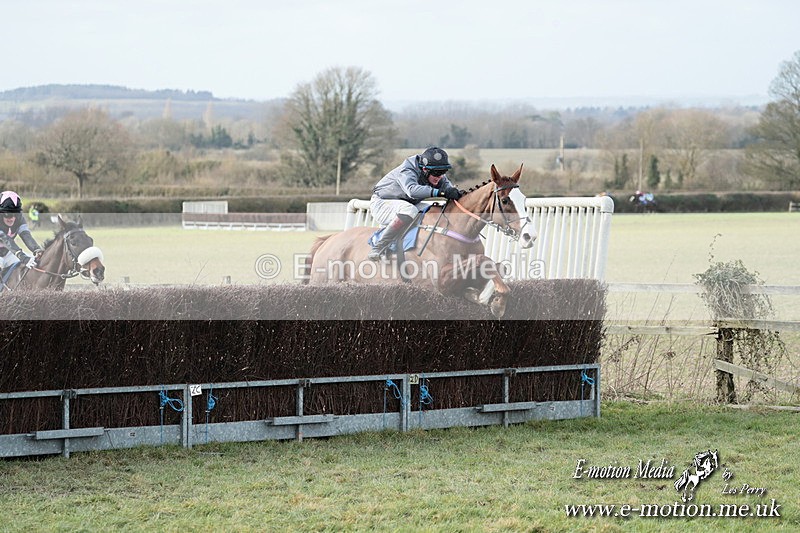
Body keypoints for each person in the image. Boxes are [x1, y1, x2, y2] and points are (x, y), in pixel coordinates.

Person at [368, 147, 462, 260]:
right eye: (437, 173)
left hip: (404, 204)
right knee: (409, 210)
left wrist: (457, 194)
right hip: (382, 203)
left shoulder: (435, 173)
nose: (440, 176)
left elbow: (448, 188)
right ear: (425, 169)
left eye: (443, 172)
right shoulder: (407, 170)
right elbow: (412, 191)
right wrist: (440, 192)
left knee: (434, 210)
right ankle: (379, 246)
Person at [0, 191, 44, 276]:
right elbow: (6, 240)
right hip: (4, 253)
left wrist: (37, 250)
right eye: (7, 214)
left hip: (7, 253)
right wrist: (22, 257)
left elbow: (26, 235)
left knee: (33, 261)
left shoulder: (20, 219)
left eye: (15, 214)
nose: (12, 218)